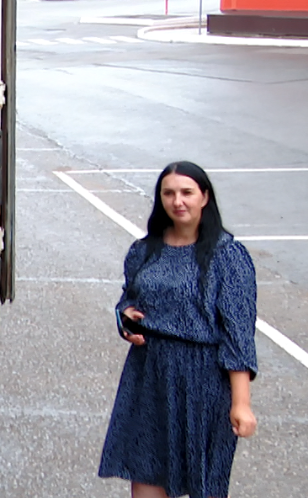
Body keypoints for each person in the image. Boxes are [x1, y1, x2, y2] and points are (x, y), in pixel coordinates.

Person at [99, 161, 258, 498]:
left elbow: (238, 335)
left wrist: (241, 403)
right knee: (145, 475)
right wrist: (124, 316)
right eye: (169, 193)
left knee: (204, 485)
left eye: (187, 192)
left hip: (203, 381)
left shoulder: (227, 256)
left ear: (205, 197)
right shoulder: (144, 251)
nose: (177, 201)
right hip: (148, 377)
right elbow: (128, 298)